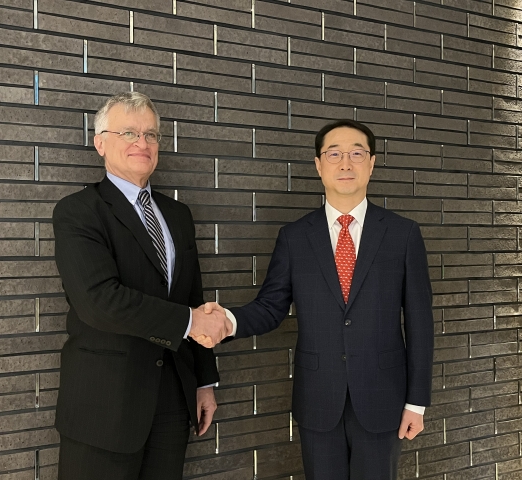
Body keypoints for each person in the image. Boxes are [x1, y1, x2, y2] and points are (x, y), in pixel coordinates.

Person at [193, 120, 434, 480]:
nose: (345, 163)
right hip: (318, 399)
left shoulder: (402, 234)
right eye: (334, 154)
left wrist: (417, 402)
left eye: (357, 153)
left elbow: (420, 323)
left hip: (383, 399)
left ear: (372, 163)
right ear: (318, 165)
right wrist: (229, 320)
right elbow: (271, 307)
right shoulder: (294, 237)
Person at [52, 91, 232, 480]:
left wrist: (204, 381)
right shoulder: (78, 212)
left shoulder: (178, 215)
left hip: (171, 399)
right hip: (104, 406)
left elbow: (193, 299)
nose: (142, 143)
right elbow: (98, 301)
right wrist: (188, 323)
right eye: (129, 132)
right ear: (100, 143)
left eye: (151, 135)